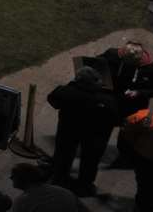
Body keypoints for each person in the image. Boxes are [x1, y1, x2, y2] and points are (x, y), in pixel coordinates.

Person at [45, 66, 120, 195]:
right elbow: (115, 119)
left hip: (68, 129)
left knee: (63, 155)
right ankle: (84, 186)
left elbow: (53, 100)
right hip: (94, 135)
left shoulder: (67, 91)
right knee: (89, 161)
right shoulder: (105, 99)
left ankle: (59, 179)